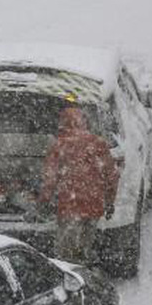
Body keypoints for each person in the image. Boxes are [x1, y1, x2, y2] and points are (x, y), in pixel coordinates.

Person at [38, 105, 120, 264]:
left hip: (69, 206)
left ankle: (71, 278)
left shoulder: (59, 145)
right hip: (94, 205)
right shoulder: (98, 143)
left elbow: (50, 178)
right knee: (84, 246)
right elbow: (111, 176)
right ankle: (85, 271)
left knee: (65, 253)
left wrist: (44, 200)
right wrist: (110, 202)